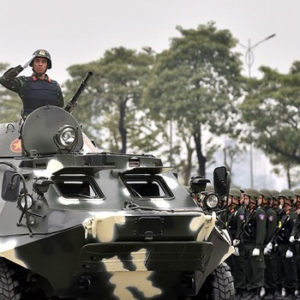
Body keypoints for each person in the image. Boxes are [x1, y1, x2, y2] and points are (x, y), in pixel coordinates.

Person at [0, 49, 64, 118]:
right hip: (28, 126)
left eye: (43, 62)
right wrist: (21, 67)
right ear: (32, 64)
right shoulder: (24, 82)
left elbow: (60, 110)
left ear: (47, 65)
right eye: (37, 61)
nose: (40, 64)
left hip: (50, 126)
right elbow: (4, 80)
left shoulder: (55, 86)